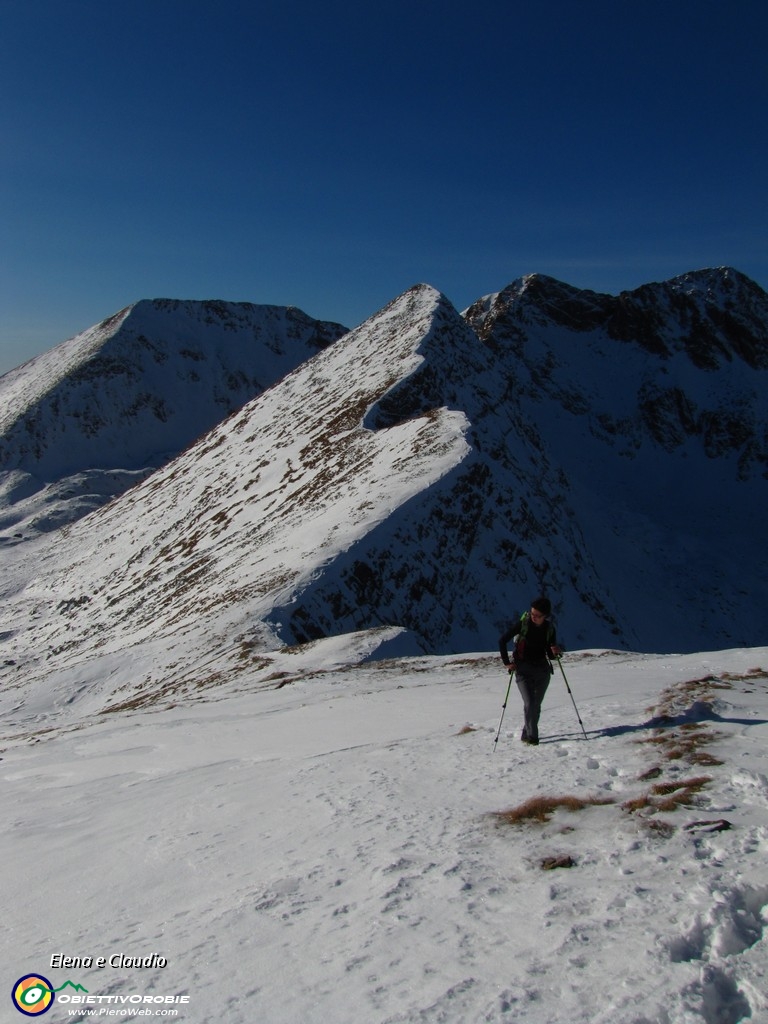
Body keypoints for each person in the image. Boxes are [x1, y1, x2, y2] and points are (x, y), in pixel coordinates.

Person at [499, 597, 563, 745]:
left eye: (537, 615)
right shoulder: (523, 625)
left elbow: (551, 655)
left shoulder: (549, 629)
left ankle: (526, 732)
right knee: (530, 703)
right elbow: (502, 640)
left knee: (535, 705)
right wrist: (507, 663)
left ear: (545, 616)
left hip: (542, 670)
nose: (533, 617)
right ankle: (533, 738)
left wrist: (556, 652)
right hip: (523, 670)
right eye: (532, 613)